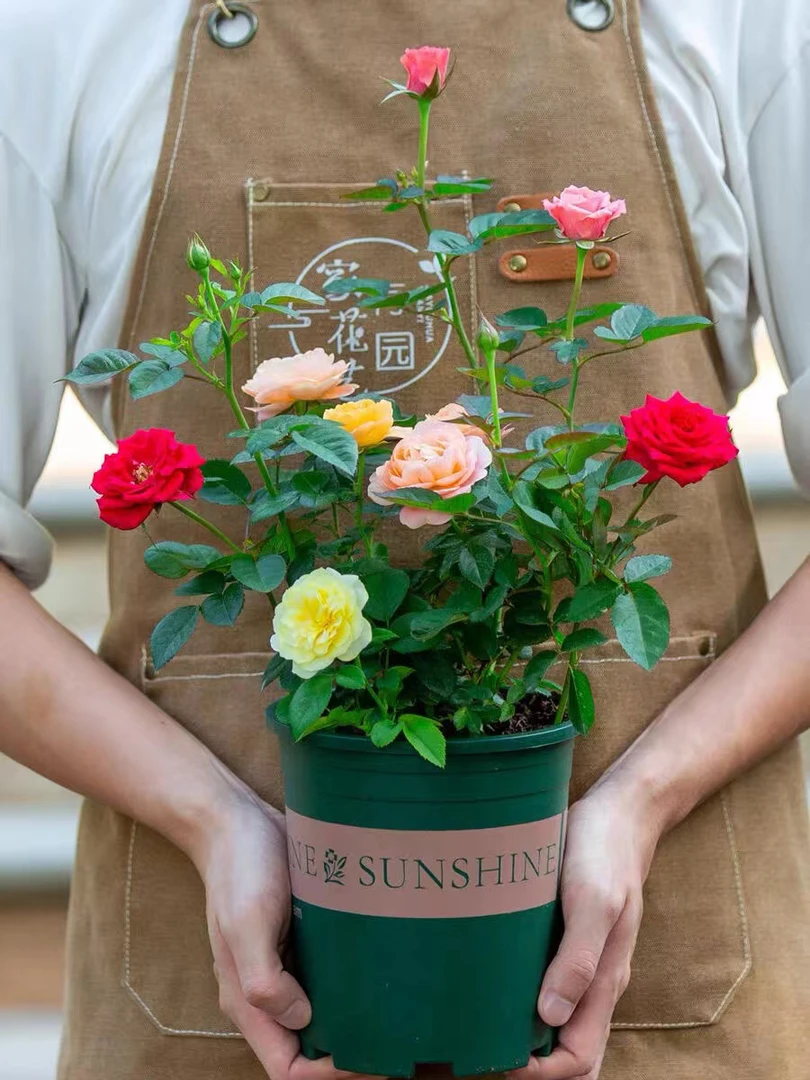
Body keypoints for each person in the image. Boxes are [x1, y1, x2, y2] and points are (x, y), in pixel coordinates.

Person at [0, 2, 808, 1079]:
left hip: (673, 982)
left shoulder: (743, 19)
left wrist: (644, 797)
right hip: (236, 998)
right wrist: (214, 820)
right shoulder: (61, 33)